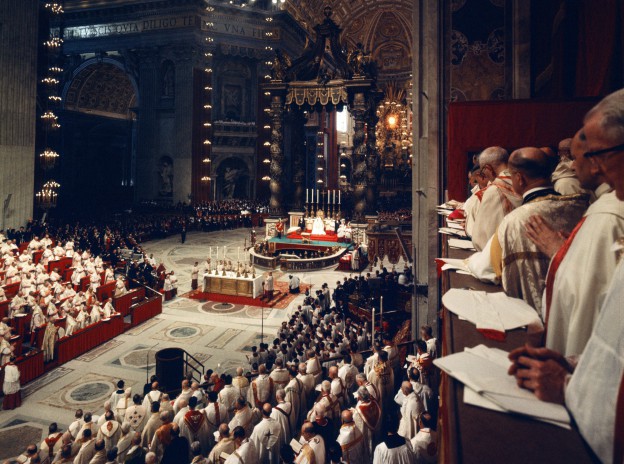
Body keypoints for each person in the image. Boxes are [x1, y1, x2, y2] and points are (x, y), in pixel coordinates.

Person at [508, 88, 624, 464]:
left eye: (596, 154)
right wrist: (573, 364)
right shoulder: (604, 206)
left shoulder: (610, 218)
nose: (587, 166)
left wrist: (570, 386)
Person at [488, 147, 588, 311]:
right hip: (579, 309)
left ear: (519, 179)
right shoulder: (583, 208)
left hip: (533, 318)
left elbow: (503, 277)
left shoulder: (515, 221)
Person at [468, 146, 522, 251]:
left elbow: (483, 240)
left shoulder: (494, 190)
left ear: (488, 168)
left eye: (483, 171)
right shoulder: (523, 181)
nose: (485, 176)